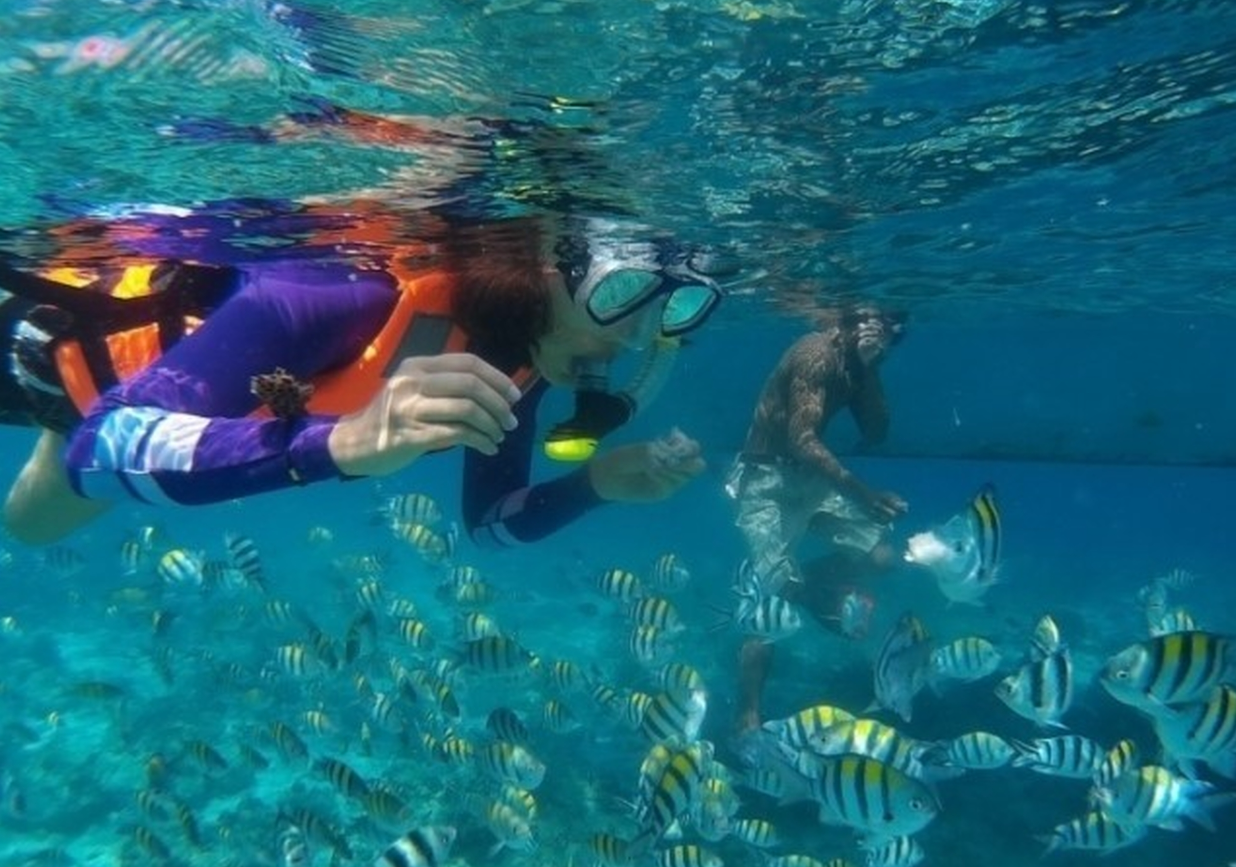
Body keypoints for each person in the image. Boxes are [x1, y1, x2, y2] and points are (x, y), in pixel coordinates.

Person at [0, 205, 721, 546]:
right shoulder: (349, 291)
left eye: (669, 307)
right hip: (38, 341)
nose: (630, 335)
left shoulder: (520, 358)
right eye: (619, 292)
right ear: (544, 268)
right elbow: (99, 451)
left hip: (86, 417)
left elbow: (489, 524)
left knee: (30, 528)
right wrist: (342, 443)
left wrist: (594, 485)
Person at [724, 305, 909, 733]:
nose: (879, 334)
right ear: (846, 324)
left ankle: (802, 587)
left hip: (812, 481)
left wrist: (870, 367)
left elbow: (876, 432)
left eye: (890, 333)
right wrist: (863, 493)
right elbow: (801, 439)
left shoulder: (856, 365)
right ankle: (747, 713)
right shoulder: (815, 353)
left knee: (881, 557)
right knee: (769, 604)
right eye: (870, 324)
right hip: (765, 481)